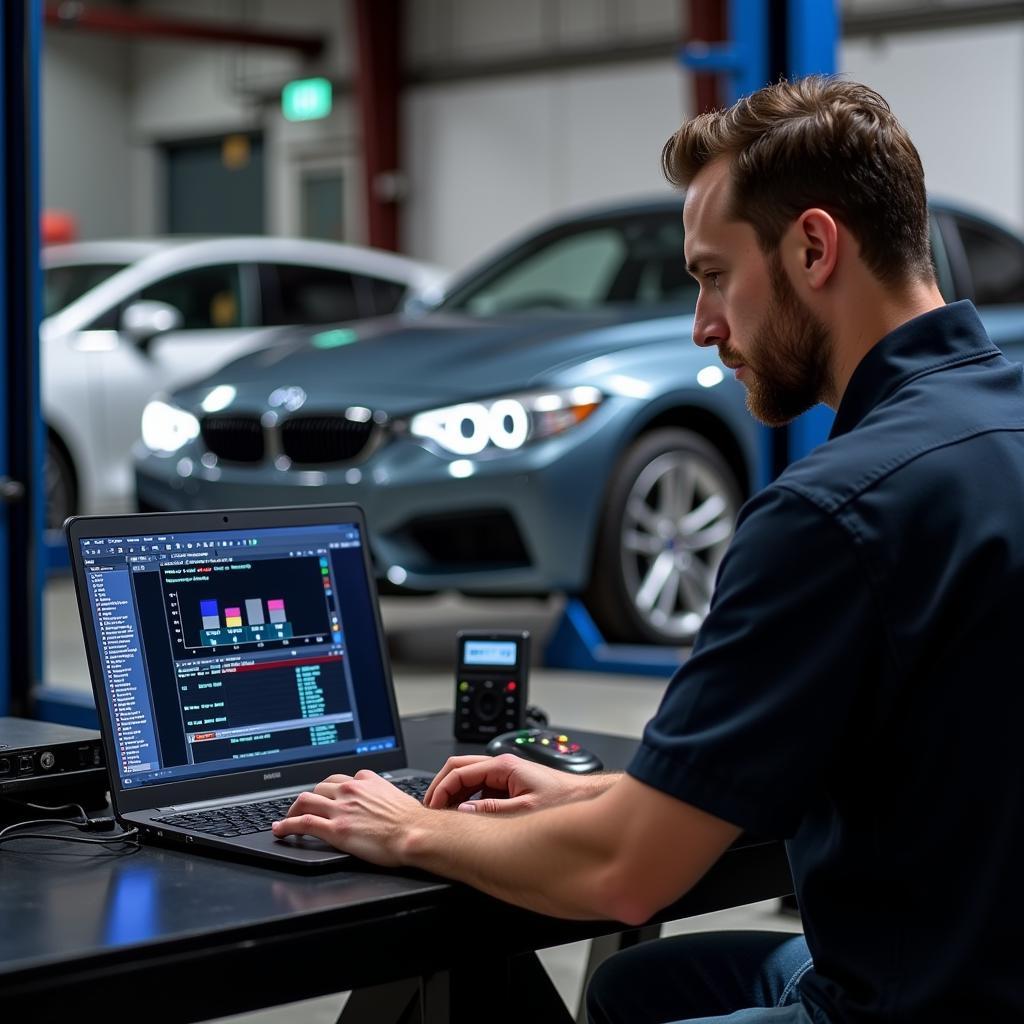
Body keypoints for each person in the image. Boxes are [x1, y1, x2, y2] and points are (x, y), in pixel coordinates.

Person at [272, 76, 1024, 1022]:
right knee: (635, 985)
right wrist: (601, 800)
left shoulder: (833, 514)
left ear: (815, 246)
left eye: (713, 276)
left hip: (919, 999)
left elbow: (626, 879)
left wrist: (413, 829)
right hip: (980, 946)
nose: (706, 328)